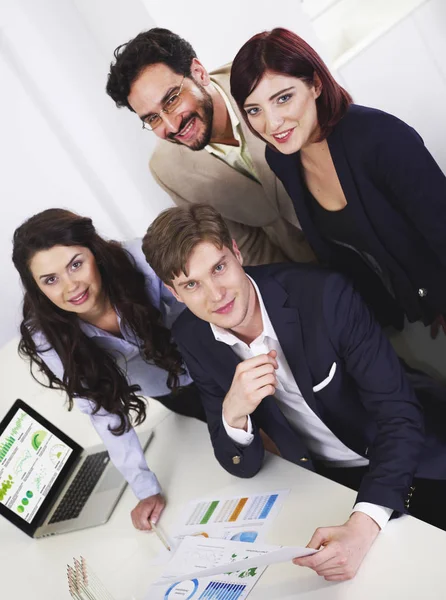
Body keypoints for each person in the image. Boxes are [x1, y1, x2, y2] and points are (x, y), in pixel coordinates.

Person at [142, 203, 446, 582]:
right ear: (174, 292)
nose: (216, 295)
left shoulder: (323, 295)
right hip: (329, 483)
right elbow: (241, 464)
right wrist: (233, 413)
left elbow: (399, 416)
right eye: (192, 285)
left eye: (218, 268)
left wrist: (363, 526)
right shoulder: (193, 337)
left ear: (237, 253)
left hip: (419, 461)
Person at [229, 27, 446, 334]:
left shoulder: (381, 139)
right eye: (254, 109)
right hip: (396, 316)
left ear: (315, 84)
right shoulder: (282, 157)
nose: (272, 123)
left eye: (283, 98)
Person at [12, 208, 206, 530]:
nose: (70, 286)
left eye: (76, 264)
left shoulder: (141, 261)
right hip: (174, 390)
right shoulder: (48, 336)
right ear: (36, 288)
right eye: (50, 280)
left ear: (95, 253)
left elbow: (211, 312)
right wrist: (145, 489)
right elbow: (101, 408)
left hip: (222, 362)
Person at [105, 27, 314, 267]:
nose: (171, 126)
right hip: (307, 266)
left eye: (172, 99)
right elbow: (249, 250)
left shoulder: (262, 78)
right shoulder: (167, 170)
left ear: (199, 73)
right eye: (152, 118)